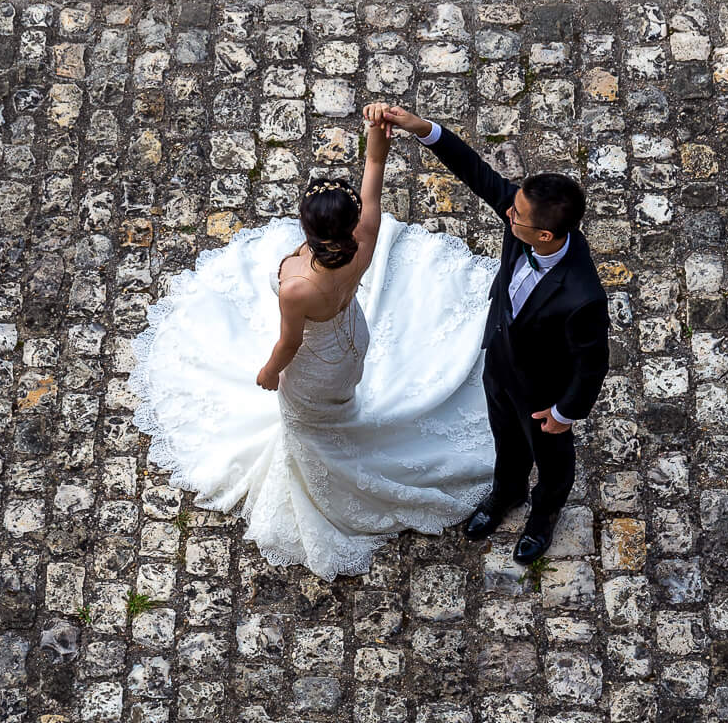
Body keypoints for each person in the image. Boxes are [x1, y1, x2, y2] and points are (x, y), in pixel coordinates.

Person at [127, 110, 496, 579]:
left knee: (305, 421)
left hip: (315, 365)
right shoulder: (364, 241)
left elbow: (289, 343)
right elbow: (374, 182)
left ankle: (323, 478)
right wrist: (375, 140)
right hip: (351, 340)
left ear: (309, 230)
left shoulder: (297, 288)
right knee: (337, 408)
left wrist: (267, 373)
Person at [365, 102, 610, 564]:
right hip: (499, 363)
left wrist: (565, 412)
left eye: (517, 216)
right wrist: (422, 129)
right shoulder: (524, 218)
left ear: (545, 237)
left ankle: (542, 518)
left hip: (544, 393)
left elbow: (593, 362)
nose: (507, 214)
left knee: (552, 462)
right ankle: (507, 492)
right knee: (504, 436)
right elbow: (476, 171)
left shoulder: (583, 297)